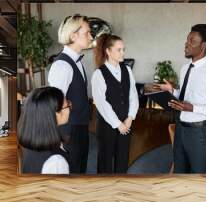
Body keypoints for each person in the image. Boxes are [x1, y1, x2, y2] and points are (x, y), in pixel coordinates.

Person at [155, 24, 206, 173]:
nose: (186, 44)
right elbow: (185, 96)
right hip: (180, 129)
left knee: (198, 176)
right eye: (187, 39)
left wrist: (193, 108)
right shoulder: (184, 68)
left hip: (199, 133)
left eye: (192, 41)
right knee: (179, 173)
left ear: (204, 45)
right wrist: (172, 91)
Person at [48, 14, 93, 173]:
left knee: (80, 171)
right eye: (87, 33)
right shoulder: (62, 65)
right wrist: (59, 139)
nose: (91, 36)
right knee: (71, 173)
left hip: (80, 127)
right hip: (69, 131)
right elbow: (55, 105)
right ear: (73, 35)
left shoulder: (77, 62)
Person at [91, 34, 139, 173]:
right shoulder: (99, 74)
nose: (123, 53)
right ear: (108, 51)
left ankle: (120, 189)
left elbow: (133, 95)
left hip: (127, 123)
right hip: (107, 126)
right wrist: (118, 124)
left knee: (122, 160)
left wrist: (130, 118)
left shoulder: (127, 70)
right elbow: (101, 103)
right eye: (119, 50)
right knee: (105, 162)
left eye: (123, 49)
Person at [17, 87, 72, 174]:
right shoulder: (56, 162)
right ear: (55, 114)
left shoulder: (32, 143)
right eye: (67, 104)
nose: (70, 108)